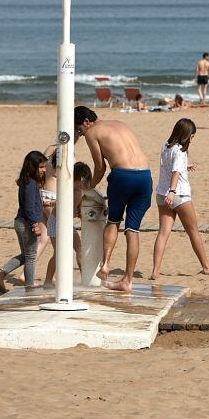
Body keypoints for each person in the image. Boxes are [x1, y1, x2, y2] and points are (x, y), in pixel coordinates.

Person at [74, 106, 153, 293]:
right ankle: (128, 280)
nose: (82, 135)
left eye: (79, 130)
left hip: (122, 176)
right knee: (133, 229)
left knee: (113, 221)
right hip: (145, 176)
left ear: (86, 122)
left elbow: (100, 167)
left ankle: (105, 266)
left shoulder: (93, 132)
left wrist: (88, 188)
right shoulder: (120, 123)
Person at [152, 118, 209, 279]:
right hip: (178, 195)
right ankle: (206, 266)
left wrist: (185, 166)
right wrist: (172, 191)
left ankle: (155, 270)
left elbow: (170, 166)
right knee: (193, 231)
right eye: (192, 136)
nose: (192, 140)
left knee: (163, 232)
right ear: (186, 136)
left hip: (161, 195)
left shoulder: (165, 146)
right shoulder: (181, 150)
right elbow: (175, 171)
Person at [0, 151, 50, 293]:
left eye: (45, 167)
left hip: (21, 222)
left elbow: (31, 203)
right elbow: (29, 208)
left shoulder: (28, 181)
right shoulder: (30, 183)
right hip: (26, 224)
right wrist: (35, 225)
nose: (44, 170)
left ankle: (1, 274)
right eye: (41, 167)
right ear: (32, 167)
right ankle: (29, 288)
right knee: (30, 256)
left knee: (26, 255)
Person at [44, 161, 90, 287]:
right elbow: (60, 209)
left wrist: (80, 212)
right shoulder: (67, 189)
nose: (83, 185)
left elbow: (78, 207)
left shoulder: (79, 191)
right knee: (59, 252)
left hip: (67, 223)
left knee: (80, 248)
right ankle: (48, 280)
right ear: (75, 179)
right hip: (56, 222)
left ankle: (85, 278)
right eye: (81, 181)